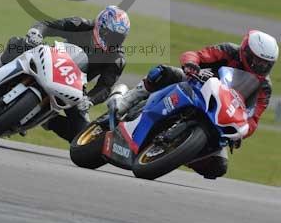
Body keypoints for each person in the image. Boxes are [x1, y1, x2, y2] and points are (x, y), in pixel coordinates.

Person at [112, 30, 279, 179]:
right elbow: (196, 55)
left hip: (221, 116)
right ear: (245, 52)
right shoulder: (229, 51)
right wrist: (191, 64)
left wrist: (241, 132)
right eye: (256, 60)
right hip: (196, 84)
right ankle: (127, 101)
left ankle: (178, 151)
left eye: (265, 64)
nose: (260, 66)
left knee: (218, 167)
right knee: (163, 73)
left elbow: (253, 119)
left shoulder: (264, 87)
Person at [0, 5, 130, 142]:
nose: (112, 40)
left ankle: (46, 120)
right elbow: (48, 24)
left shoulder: (117, 59)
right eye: (110, 34)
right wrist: (37, 33)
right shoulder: (81, 25)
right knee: (18, 43)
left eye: (118, 38)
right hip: (51, 61)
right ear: (100, 26)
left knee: (81, 134)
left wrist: (89, 100)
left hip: (73, 86)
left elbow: (105, 87)